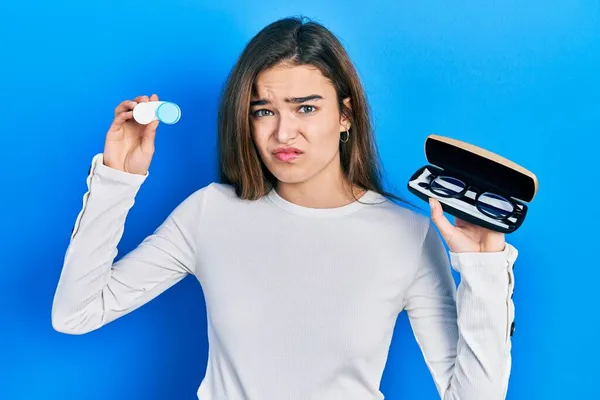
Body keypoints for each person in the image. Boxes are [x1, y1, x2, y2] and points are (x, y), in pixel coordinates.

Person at [51, 16, 518, 400]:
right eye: (263, 110)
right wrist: (117, 178)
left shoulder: (406, 235)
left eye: (306, 108)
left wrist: (484, 270)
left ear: (345, 115)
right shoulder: (210, 214)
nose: (282, 134)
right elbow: (76, 314)